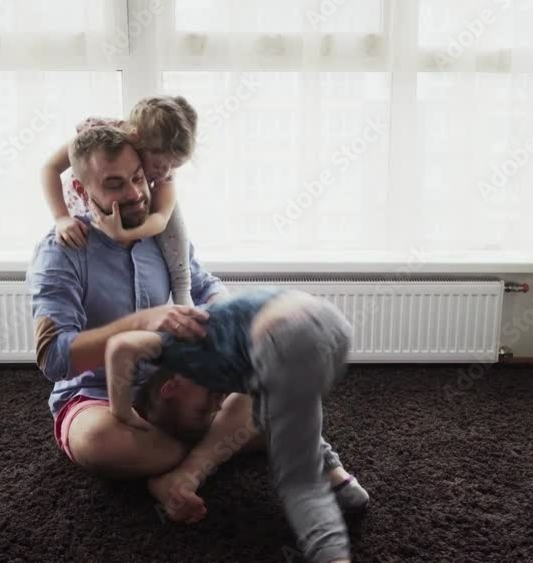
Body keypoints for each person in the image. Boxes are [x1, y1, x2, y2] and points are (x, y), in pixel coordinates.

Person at [25, 123, 367, 532]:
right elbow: (53, 357)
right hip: (94, 396)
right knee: (99, 443)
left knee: (278, 371)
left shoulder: (161, 229)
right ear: (81, 191)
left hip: (169, 377)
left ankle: (181, 472)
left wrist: (235, 322)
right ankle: (223, 443)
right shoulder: (59, 251)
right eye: (114, 184)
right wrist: (141, 321)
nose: (133, 194)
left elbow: (203, 285)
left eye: (137, 178)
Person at [106, 287, 362, 563]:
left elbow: (119, 346)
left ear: (171, 387)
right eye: (212, 412)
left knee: (301, 482)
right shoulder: (228, 368)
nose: (217, 406)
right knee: (282, 410)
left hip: (283, 335)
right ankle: (337, 477)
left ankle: (332, 556)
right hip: (332, 328)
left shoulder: (179, 350)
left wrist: (123, 413)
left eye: (202, 408)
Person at [40, 95, 197, 305]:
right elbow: (50, 168)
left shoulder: (162, 167)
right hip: (86, 205)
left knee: (172, 208)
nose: (165, 172)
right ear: (138, 140)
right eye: (159, 165)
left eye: (174, 165)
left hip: (132, 219)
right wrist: (61, 217)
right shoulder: (98, 137)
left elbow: (161, 218)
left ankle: (182, 285)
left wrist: (125, 234)